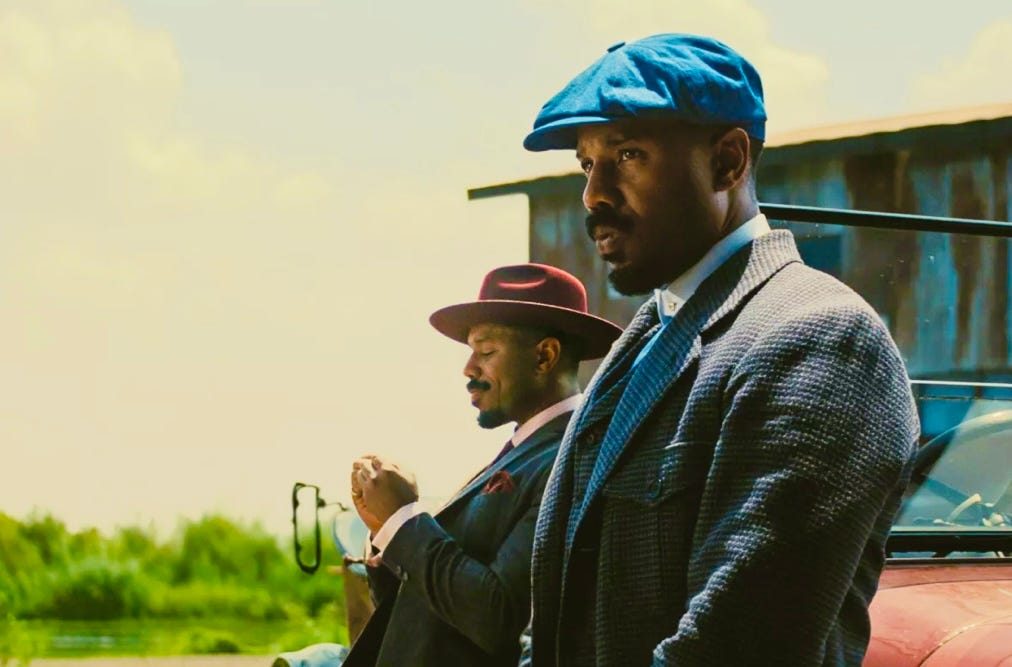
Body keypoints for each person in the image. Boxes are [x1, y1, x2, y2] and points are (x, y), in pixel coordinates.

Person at [519, 34, 919, 666]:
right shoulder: (645, 340)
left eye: (627, 154)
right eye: (586, 164)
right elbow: (554, 619)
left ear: (728, 162)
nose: (594, 195)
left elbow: (736, 646)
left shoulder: (816, 336)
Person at [334, 263, 622, 667]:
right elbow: (434, 609)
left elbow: (498, 617)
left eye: (486, 352)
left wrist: (404, 521)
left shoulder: (572, 458)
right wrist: (387, 532)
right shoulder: (525, 452)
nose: (469, 369)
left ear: (545, 356)